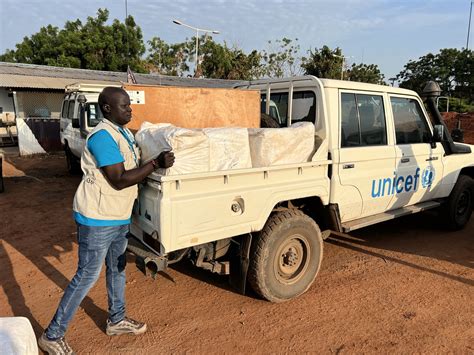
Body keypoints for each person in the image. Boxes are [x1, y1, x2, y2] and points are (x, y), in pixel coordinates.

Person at [38, 87, 175, 355]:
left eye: (130, 106)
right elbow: (119, 179)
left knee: (118, 268)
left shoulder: (121, 133)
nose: (130, 110)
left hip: (118, 215)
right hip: (98, 219)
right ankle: (52, 335)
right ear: (108, 109)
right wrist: (156, 163)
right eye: (124, 106)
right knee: (87, 276)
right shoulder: (102, 137)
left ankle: (117, 319)